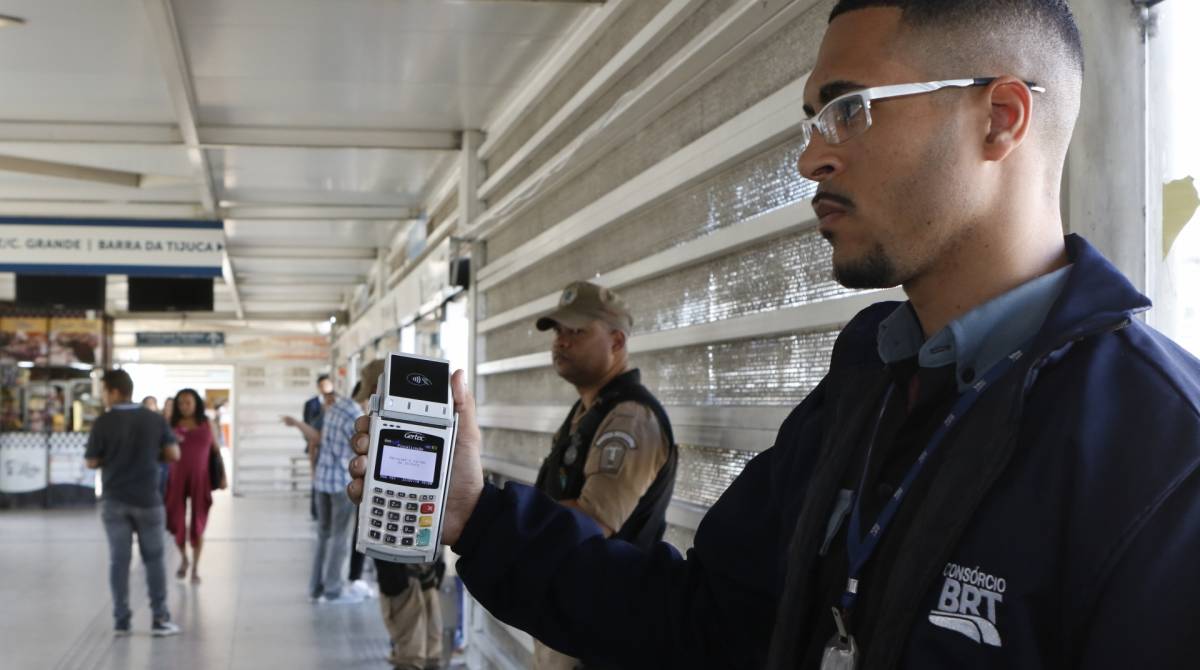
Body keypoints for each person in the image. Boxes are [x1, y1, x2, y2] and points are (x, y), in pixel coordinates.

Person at [348, 1, 1200, 668]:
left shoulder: (1162, 454)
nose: (810, 159)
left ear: (1002, 118)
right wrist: (475, 518)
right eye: (811, 121)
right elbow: (701, 622)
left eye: (851, 110)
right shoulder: (863, 390)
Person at [531, 281, 678, 669]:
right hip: (571, 614)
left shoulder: (630, 418)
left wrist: (505, 517)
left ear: (616, 341)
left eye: (576, 331)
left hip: (601, 630)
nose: (561, 342)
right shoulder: (588, 411)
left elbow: (595, 520)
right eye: (558, 331)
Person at [84, 369, 182, 637]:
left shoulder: (103, 422)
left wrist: (112, 459)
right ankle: (160, 619)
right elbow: (174, 453)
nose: (103, 396)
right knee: (154, 559)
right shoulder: (153, 420)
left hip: (114, 501)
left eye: (104, 391)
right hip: (148, 499)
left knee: (119, 560)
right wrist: (150, 456)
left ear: (116, 391)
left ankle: (122, 619)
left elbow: (91, 461)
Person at [296, 363, 369, 604]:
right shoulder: (356, 416)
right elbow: (357, 450)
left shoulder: (336, 408)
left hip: (323, 481)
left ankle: (316, 587)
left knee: (324, 535)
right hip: (340, 483)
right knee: (339, 537)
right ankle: (333, 590)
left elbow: (320, 440)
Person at [165, 388, 223, 584]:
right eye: (181, 403)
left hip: (201, 478)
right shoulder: (171, 424)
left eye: (188, 402)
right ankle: (183, 560)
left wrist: (222, 476)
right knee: (177, 521)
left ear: (196, 403)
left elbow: (216, 450)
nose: (184, 406)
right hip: (175, 478)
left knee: (198, 522)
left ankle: (196, 567)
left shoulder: (207, 423)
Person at [303, 374, 334, 520]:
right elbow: (306, 424)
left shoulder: (336, 403)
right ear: (318, 387)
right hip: (315, 446)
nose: (325, 388)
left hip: (331, 449)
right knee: (315, 478)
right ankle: (315, 511)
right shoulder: (311, 403)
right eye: (322, 386)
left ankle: (327, 511)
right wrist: (311, 441)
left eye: (327, 385)